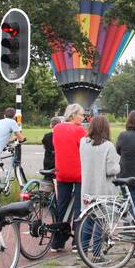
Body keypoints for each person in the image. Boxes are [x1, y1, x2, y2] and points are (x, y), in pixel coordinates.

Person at [51, 103, 87, 251]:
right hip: (78, 173)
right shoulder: (79, 130)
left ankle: (57, 243)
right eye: (81, 115)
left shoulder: (57, 128)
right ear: (73, 115)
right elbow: (85, 149)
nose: (83, 117)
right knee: (79, 208)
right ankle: (76, 243)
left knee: (62, 206)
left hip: (61, 172)